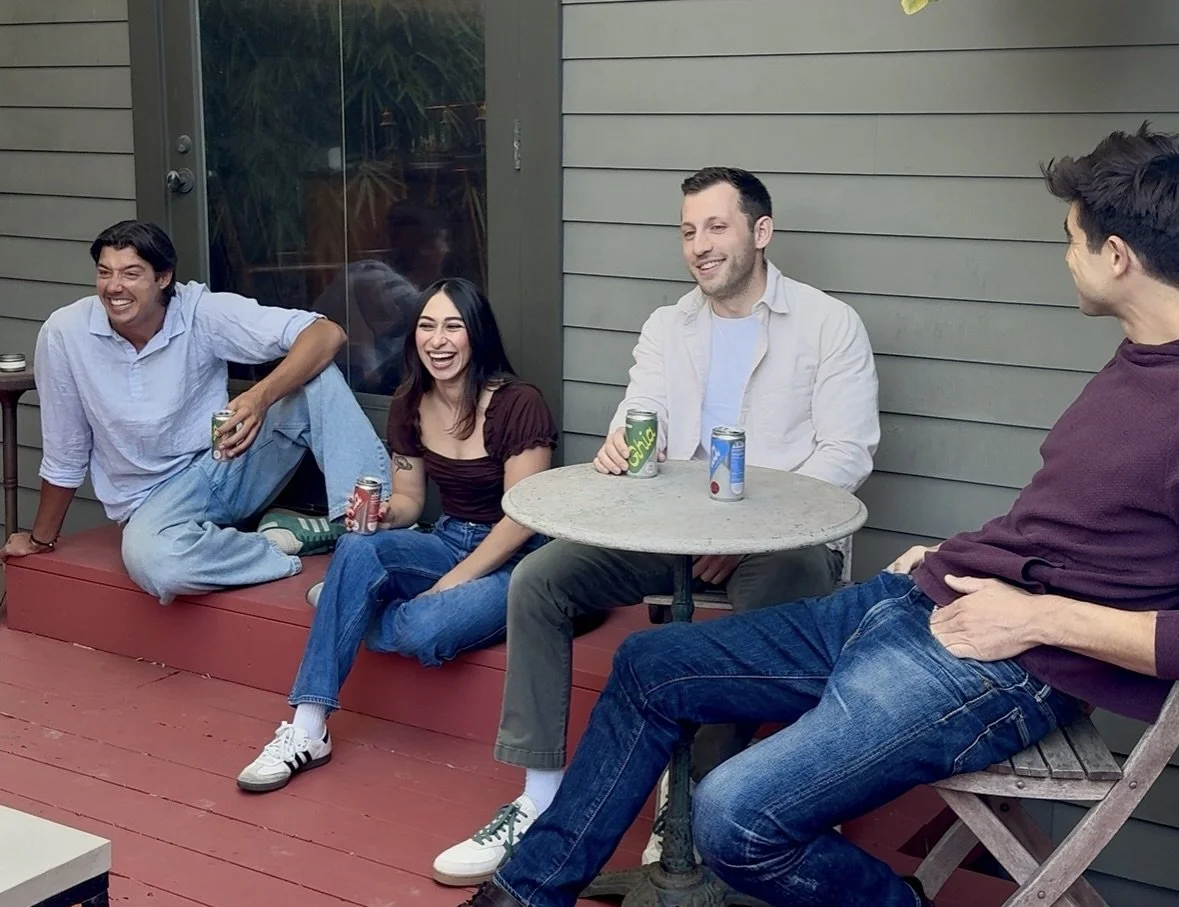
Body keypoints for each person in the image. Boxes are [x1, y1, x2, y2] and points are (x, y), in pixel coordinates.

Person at [451, 123, 1179, 907]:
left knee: (734, 819)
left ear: (1116, 256)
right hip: (923, 599)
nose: (1063, 256)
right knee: (647, 665)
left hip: (1006, 664)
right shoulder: (1137, 358)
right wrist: (954, 555)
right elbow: (1084, 529)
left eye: (1071, 240)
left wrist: (1036, 617)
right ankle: (527, 893)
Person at [433, 167, 880, 886]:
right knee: (541, 579)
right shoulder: (669, 325)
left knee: (778, 601)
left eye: (715, 227)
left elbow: (846, 451)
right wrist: (621, 443)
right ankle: (538, 798)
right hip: (667, 531)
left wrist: (749, 534)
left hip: (778, 541)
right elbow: (643, 414)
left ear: (760, 233)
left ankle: (694, 800)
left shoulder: (828, 325)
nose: (698, 246)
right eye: (686, 231)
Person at [236, 277, 558, 793]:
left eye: (453, 326)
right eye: (427, 326)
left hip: (518, 559)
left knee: (423, 629)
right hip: (449, 537)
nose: (438, 340)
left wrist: (453, 581)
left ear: (478, 335)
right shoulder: (412, 404)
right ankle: (307, 727)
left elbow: (522, 518)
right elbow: (410, 500)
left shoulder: (518, 404)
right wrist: (386, 515)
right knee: (357, 546)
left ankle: (347, 605)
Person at [0, 220, 391, 603]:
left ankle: (367, 532)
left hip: (227, 464)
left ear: (164, 278)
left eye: (131, 273)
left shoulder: (200, 311)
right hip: (151, 502)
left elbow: (326, 333)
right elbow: (65, 451)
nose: (114, 287)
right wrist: (41, 538)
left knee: (316, 376)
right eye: (105, 273)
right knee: (157, 564)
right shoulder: (65, 333)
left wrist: (260, 396)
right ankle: (277, 543)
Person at [311, 204, 450, 393]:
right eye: (443, 240)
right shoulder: (370, 279)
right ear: (424, 248)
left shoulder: (380, 279)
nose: (447, 250)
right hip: (353, 385)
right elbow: (435, 317)